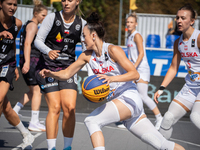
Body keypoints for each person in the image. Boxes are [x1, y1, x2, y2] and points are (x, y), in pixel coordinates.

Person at [39, 12, 185, 150]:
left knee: (92, 121)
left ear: (94, 35)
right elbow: (67, 73)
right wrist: (52, 73)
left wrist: (111, 78)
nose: (82, 39)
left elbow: (134, 74)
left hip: (128, 97)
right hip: (126, 109)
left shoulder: (113, 50)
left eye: (84, 36)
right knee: (162, 145)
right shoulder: (86, 55)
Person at [34, 0, 86, 149]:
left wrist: (90, 71)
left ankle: (67, 147)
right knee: (55, 107)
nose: (66, 3)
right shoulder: (52, 18)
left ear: (78, 2)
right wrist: (48, 51)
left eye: (70, 0)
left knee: (70, 107)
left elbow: (86, 50)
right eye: (63, 0)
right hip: (47, 68)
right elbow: (38, 41)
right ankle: (52, 148)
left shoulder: (82, 24)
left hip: (68, 70)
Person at [154, 4, 200, 140]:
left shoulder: (198, 37)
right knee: (167, 118)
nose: (179, 21)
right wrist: (161, 88)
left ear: (192, 21)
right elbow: (173, 68)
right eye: (177, 17)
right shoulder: (178, 43)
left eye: (183, 18)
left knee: (195, 117)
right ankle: (163, 147)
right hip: (190, 87)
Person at [0, 0, 34, 149]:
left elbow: (13, 43)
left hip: (7, 64)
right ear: (0, 4)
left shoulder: (17, 23)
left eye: (15, 4)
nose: (13, 7)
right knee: (6, 108)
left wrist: (16, 64)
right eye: (9, 4)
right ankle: (27, 134)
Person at [13, 0, 47, 132]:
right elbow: (27, 44)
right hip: (31, 60)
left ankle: (15, 110)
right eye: (43, 15)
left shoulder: (29, 24)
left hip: (28, 60)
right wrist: (27, 62)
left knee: (33, 91)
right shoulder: (32, 26)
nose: (45, 18)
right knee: (37, 91)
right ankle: (34, 122)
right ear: (36, 13)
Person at [126, 12, 163, 130]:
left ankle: (159, 117)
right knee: (131, 94)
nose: (129, 24)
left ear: (136, 24)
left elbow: (141, 53)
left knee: (143, 96)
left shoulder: (137, 35)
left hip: (141, 69)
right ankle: (130, 118)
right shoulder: (128, 36)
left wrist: (134, 67)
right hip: (134, 68)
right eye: (128, 22)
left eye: (131, 22)